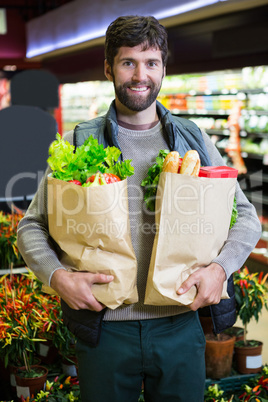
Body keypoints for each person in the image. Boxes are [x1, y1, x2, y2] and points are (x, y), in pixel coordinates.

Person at [17, 15, 261, 402]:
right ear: (108, 68)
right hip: (106, 330)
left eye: (150, 63)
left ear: (164, 67)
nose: (139, 75)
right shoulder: (79, 141)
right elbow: (30, 226)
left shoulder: (192, 140)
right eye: (128, 62)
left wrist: (220, 268)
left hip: (180, 325)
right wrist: (59, 278)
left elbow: (246, 216)